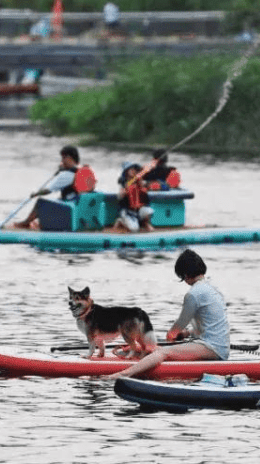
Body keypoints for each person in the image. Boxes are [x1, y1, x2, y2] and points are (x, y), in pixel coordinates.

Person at [106, 249, 230, 379]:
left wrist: (172, 335)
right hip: (220, 347)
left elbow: (179, 324)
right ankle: (142, 358)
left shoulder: (194, 293)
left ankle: (122, 374)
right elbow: (204, 327)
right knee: (164, 350)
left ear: (186, 274)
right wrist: (186, 334)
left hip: (213, 348)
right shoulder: (213, 289)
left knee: (163, 351)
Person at [13, 145, 84, 229]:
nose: (62, 161)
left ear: (69, 158)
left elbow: (48, 191)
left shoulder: (66, 175)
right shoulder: (83, 170)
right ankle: (42, 223)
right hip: (79, 205)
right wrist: (63, 170)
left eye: (63, 158)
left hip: (71, 207)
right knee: (58, 200)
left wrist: (36, 193)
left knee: (40, 202)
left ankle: (26, 223)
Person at [115, 161, 154, 232]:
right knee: (134, 229)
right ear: (126, 172)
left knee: (148, 211)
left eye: (134, 169)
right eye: (130, 169)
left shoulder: (140, 182)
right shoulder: (125, 184)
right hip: (128, 212)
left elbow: (148, 187)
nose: (133, 171)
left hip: (138, 209)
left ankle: (144, 224)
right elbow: (121, 196)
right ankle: (121, 221)